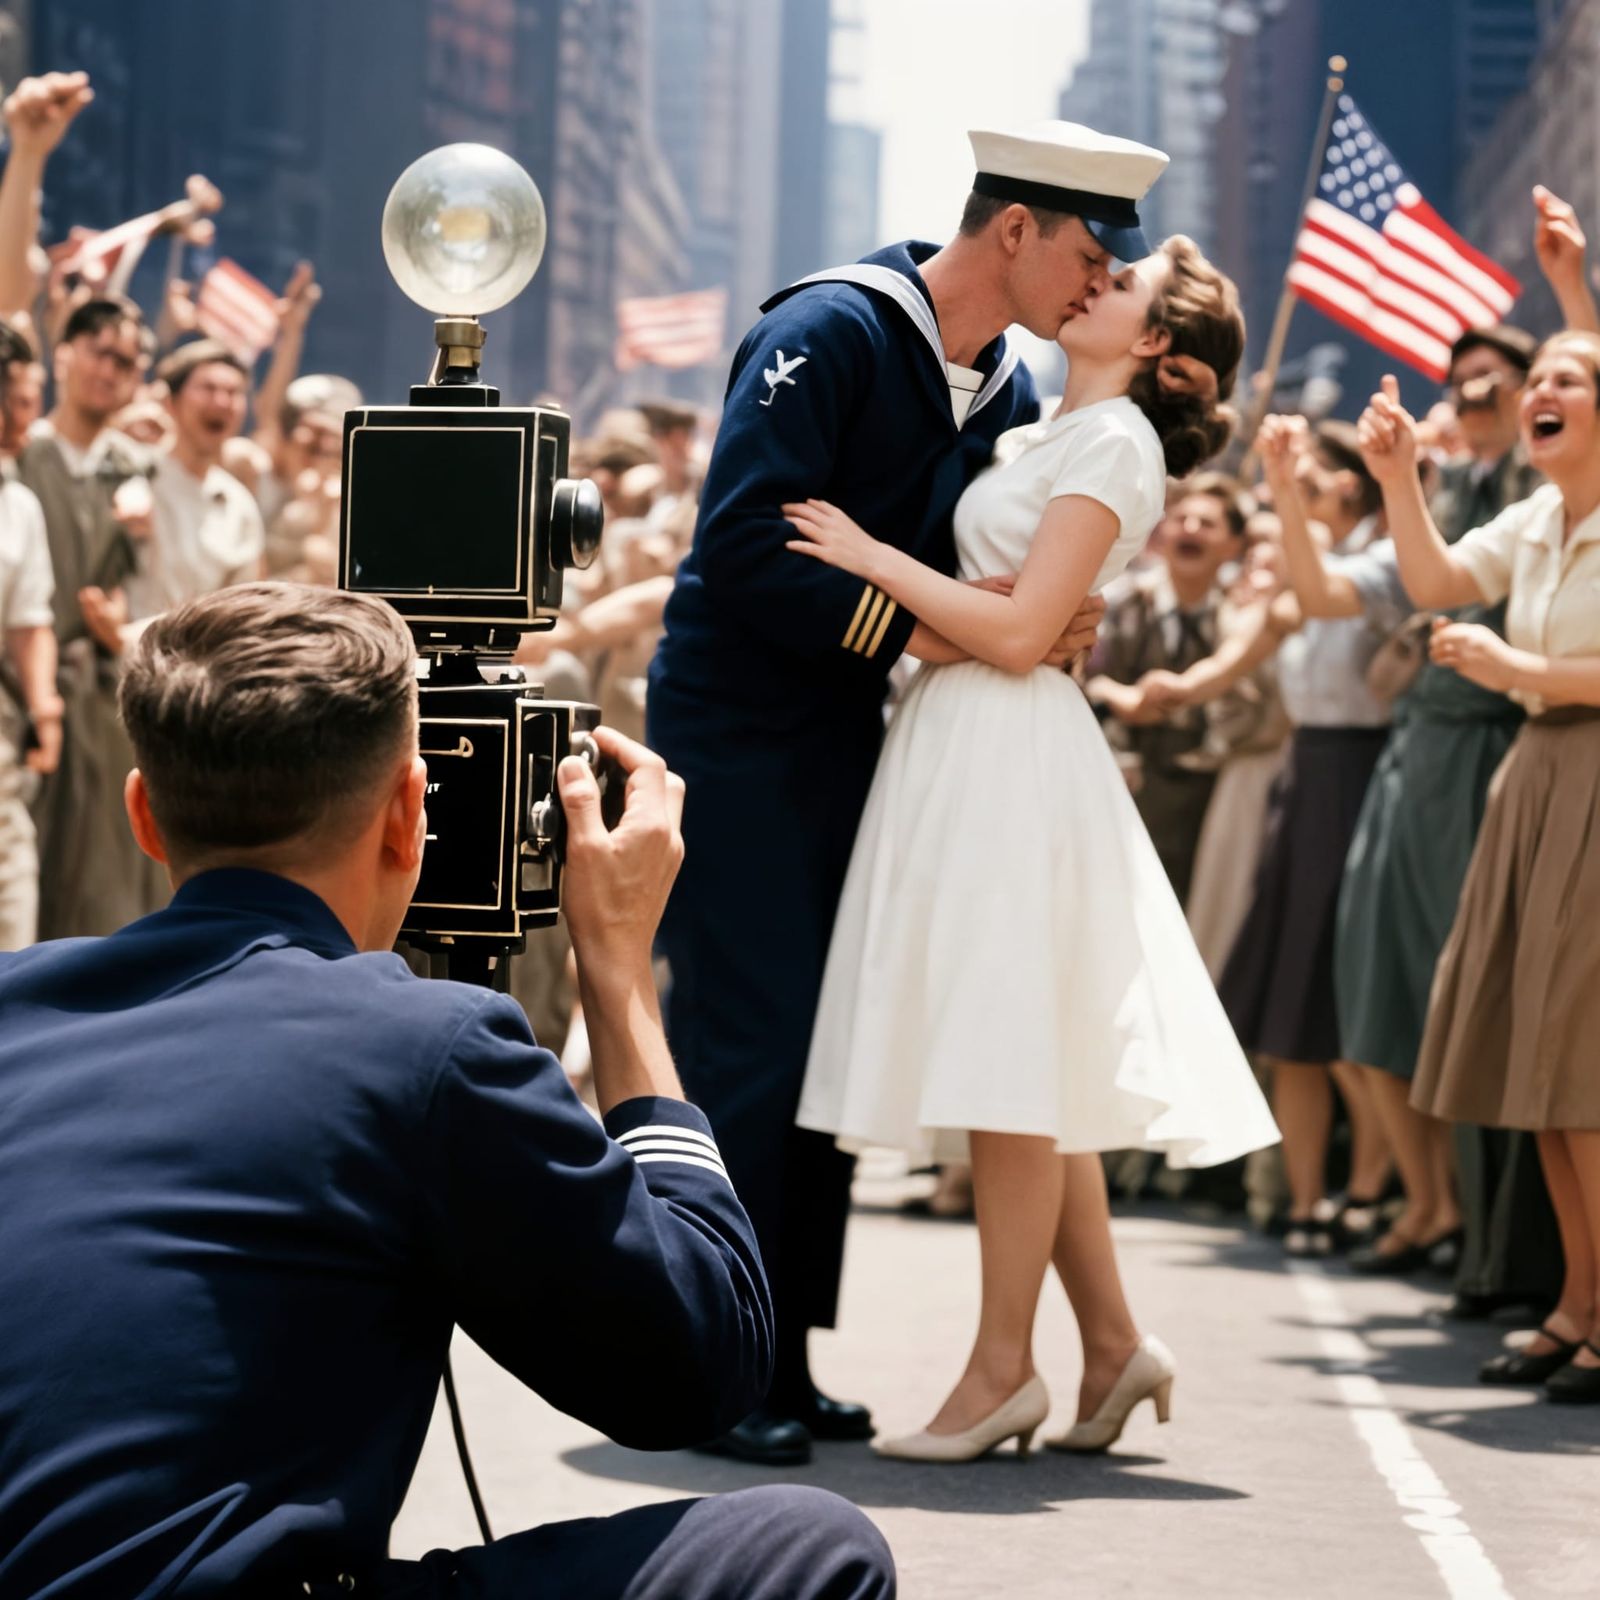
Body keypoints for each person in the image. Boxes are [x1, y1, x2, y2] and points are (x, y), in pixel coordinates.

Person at [0, 581, 895, 1598]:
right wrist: (618, 970)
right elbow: (702, 1363)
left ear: (142, 816)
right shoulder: (421, 1046)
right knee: (812, 1544)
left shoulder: (12, 1006)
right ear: (408, 811)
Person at [647, 120, 1166, 1464]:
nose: (1096, 282)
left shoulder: (1000, 392)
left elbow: (979, 565)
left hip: (855, 733)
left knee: (818, 1047)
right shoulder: (832, 327)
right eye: (1085, 249)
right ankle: (719, 1362)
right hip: (742, 727)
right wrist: (950, 635)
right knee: (751, 1045)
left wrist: (1048, 620)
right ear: (1016, 231)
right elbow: (750, 548)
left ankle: (788, 1352)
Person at [789, 232, 1278, 1462]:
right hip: (964, 745)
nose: (1096, 278)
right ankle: (1109, 1345)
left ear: (1157, 342)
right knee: (1025, 1071)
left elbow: (1015, 636)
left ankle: (1001, 1370)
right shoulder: (1038, 430)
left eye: (1127, 286)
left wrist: (872, 558)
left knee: (1010, 1077)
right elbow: (1032, 616)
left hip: (1010, 750)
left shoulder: (1112, 444)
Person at [1358, 339, 1600, 1404]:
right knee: (1544, 1067)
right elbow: (1435, 579)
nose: (1536, 392)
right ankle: (1576, 1305)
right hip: (1538, 777)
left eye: (1565, 379)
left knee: (1585, 1069)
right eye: (1534, 375)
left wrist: (1523, 670)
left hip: (1586, 767)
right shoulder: (1537, 520)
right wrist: (1398, 477)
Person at [1278, 326, 1541, 1280]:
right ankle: (1444, 1212)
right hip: (1412, 758)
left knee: (1474, 997)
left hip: (1491, 749)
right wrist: (1303, 482)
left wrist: (1563, 292)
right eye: (1460, 390)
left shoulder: (1533, 494)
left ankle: (1487, 1235)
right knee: (1379, 984)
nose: (1470, 404)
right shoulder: (1451, 503)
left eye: (1490, 390)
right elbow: (1329, 593)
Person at [1180, 421, 1403, 1257]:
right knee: (1293, 1014)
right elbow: (1240, 654)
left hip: (1369, 772)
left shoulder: (1386, 563)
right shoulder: (1304, 574)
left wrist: (1273, 484)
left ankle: (1375, 1191)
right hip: (1304, 776)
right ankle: (1309, 1201)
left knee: (1353, 1007)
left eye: (1309, 477)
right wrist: (1168, 691)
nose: (1296, 487)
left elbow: (1313, 598)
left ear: (1351, 483)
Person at [17, 295, 163, 938]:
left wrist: (117, 626)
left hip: (97, 690)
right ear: (65, 352)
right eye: (102, 353)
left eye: (127, 361)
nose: (113, 371)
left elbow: (126, 594)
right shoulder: (23, 454)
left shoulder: (129, 470)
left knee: (99, 873)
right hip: (20, 690)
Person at [1087, 471, 1248, 901]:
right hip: (1113, 784)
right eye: (1182, 519)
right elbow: (1082, 678)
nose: (1190, 531)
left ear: (1234, 545)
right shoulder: (1125, 602)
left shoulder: (1239, 620)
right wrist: (1121, 699)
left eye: (1208, 524)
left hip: (1196, 804)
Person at [127, 338, 265, 619]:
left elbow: (243, 606)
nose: (222, 402)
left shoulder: (239, 506)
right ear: (170, 402)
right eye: (208, 388)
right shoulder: (132, 473)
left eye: (233, 392)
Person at [0, 327, 60, 949]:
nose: (27, 417)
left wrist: (46, 707)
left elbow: (28, 620)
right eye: (17, 400)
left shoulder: (18, 505)